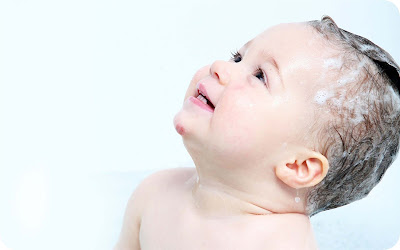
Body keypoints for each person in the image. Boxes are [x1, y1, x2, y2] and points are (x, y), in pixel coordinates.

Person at [114, 15, 400, 249]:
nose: (220, 67)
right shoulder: (154, 193)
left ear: (298, 165)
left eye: (260, 75)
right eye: (237, 58)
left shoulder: (280, 245)